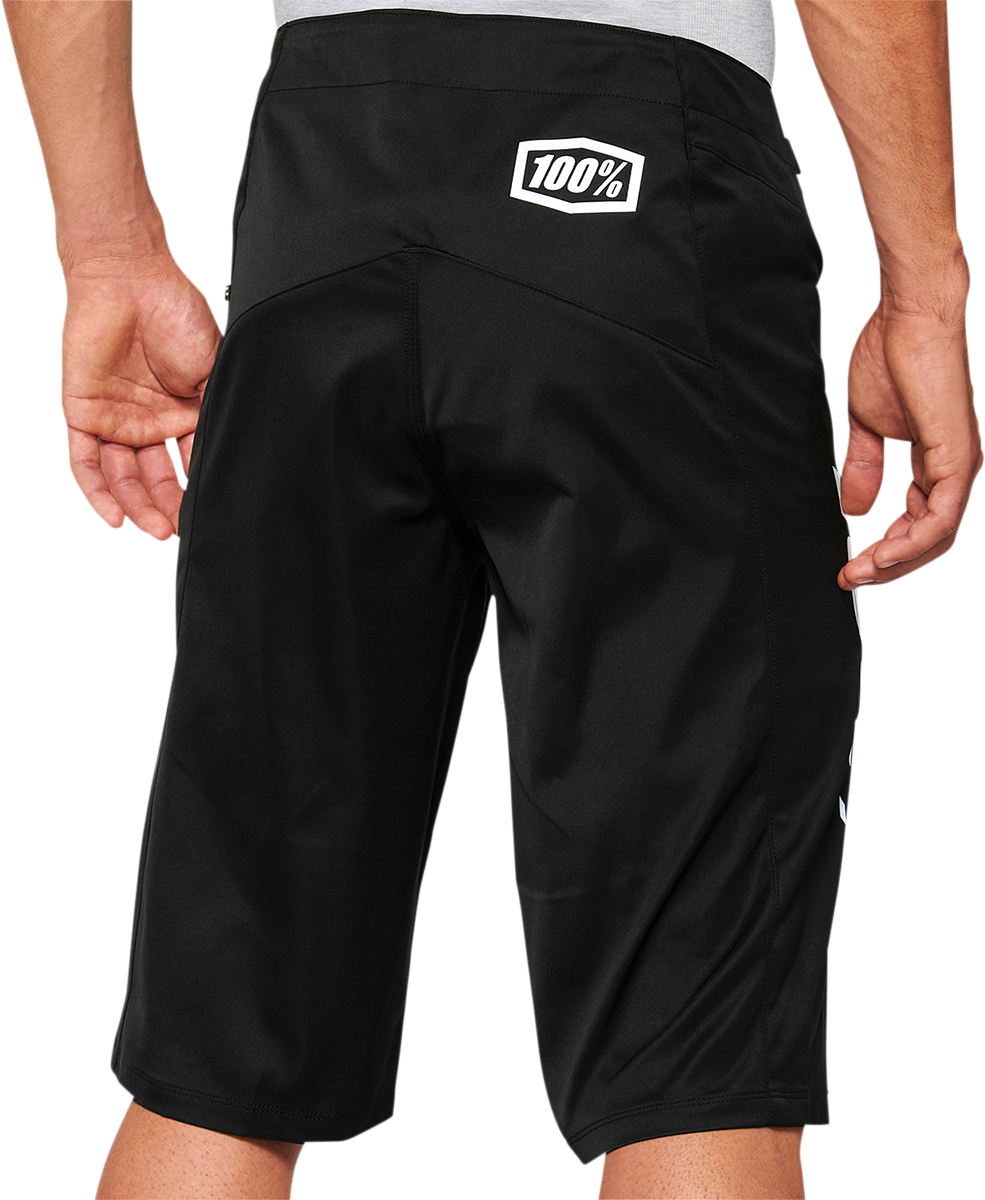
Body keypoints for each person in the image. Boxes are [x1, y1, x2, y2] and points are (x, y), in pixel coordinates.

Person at [2, 0, 979, 1197]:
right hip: (639, 183)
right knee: (699, 1049)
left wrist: (104, 253)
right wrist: (923, 292)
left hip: (323, 187)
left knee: (223, 1043)